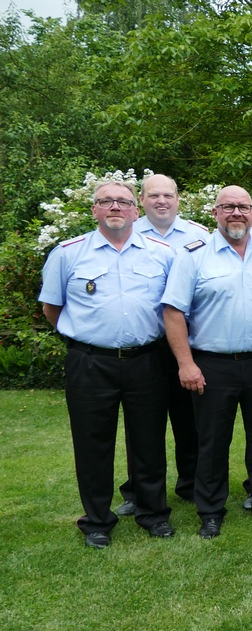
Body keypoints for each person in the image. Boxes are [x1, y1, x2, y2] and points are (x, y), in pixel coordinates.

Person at [40, 179, 176, 548]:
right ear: (94, 210)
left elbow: (172, 308)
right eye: (106, 202)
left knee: (148, 442)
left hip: (146, 361)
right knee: (92, 443)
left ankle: (153, 514)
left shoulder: (161, 252)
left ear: (136, 209)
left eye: (123, 202)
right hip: (90, 362)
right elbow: (52, 307)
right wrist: (87, 336)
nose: (115, 207)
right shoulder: (68, 254)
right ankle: (97, 520)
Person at [162, 185, 252, 539]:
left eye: (243, 207)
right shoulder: (193, 255)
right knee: (211, 440)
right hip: (212, 363)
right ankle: (210, 509)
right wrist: (186, 364)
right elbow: (173, 312)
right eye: (228, 207)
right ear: (215, 213)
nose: (236, 213)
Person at [109, 173, 208, 514]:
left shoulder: (199, 236)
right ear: (142, 201)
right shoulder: (125, 233)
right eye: (154, 196)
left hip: (188, 344)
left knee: (190, 419)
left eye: (168, 195)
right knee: (142, 423)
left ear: (178, 199)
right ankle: (136, 490)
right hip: (146, 346)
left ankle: (192, 484)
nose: (162, 201)